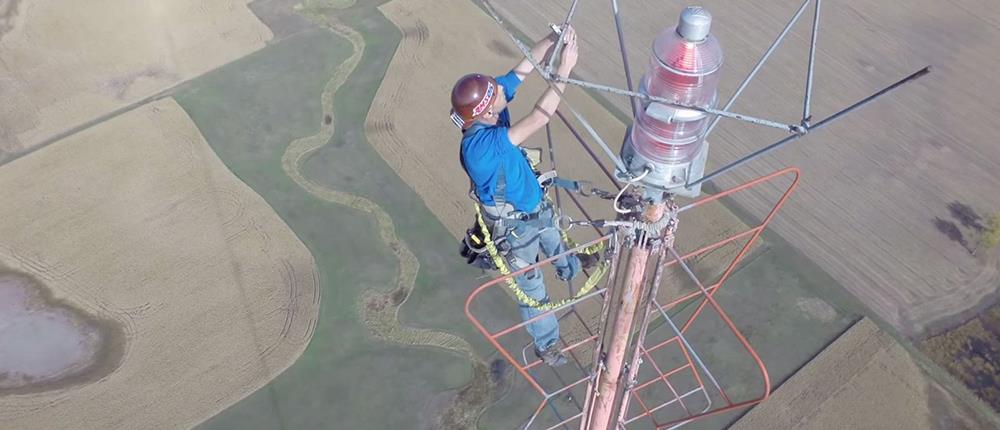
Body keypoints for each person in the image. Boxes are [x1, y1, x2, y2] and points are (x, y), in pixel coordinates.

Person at [450, 25, 594, 367]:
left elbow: (520, 70)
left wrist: (551, 39)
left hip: (532, 207)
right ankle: (547, 343)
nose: (502, 89)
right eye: (496, 91)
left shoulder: (487, 113)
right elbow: (539, 118)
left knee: (554, 239)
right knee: (533, 291)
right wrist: (565, 71)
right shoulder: (481, 148)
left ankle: (572, 267)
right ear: (486, 111)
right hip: (514, 231)